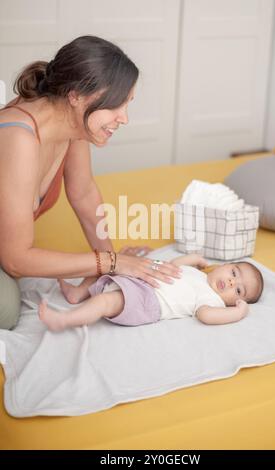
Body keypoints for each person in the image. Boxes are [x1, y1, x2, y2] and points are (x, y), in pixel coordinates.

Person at [0, 35, 181, 330]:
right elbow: (16, 261)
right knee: (6, 311)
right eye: (116, 106)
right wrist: (109, 262)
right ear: (76, 96)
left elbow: (83, 194)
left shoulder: (72, 124)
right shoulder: (19, 137)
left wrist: (111, 268)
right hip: (8, 254)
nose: (124, 118)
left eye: (127, 105)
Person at [38, 253, 264, 331]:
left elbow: (206, 315)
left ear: (235, 302)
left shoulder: (211, 299)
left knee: (106, 301)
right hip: (142, 280)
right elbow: (174, 266)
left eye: (238, 290)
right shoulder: (199, 275)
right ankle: (78, 294)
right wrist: (192, 259)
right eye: (233, 272)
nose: (231, 282)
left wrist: (238, 314)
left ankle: (65, 320)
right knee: (107, 263)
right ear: (225, 265)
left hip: (148, 301)